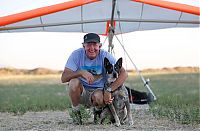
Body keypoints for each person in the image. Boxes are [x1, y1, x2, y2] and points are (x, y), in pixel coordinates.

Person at [61, 33, 128, 123]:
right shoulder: (76, 55)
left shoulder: (105, 55)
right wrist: (81, 72)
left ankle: (97, 113)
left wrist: (109, 90)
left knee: (99, 97)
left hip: (99, 92)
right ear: (83, 46)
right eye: (88, 45)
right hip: (82, 91)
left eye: (95, 44)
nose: (91, 48)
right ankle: (76, 113)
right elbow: (63, 78)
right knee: (73, 82)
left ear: (100, 46)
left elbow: (124, 74)